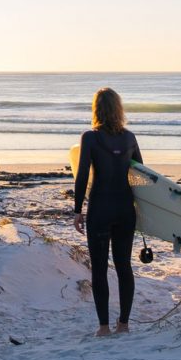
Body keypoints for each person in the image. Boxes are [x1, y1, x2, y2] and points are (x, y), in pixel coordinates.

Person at [73, 87, 140, 336]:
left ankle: (103, 327)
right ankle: (124, 324)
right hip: (125, 210)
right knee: (124, 266)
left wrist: (77, 209)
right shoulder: (130, 138)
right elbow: (143, 175)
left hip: (100, 209)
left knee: (99, 268)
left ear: (97, 109)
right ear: (118, 110)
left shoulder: (90, 137)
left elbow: (82, 176)